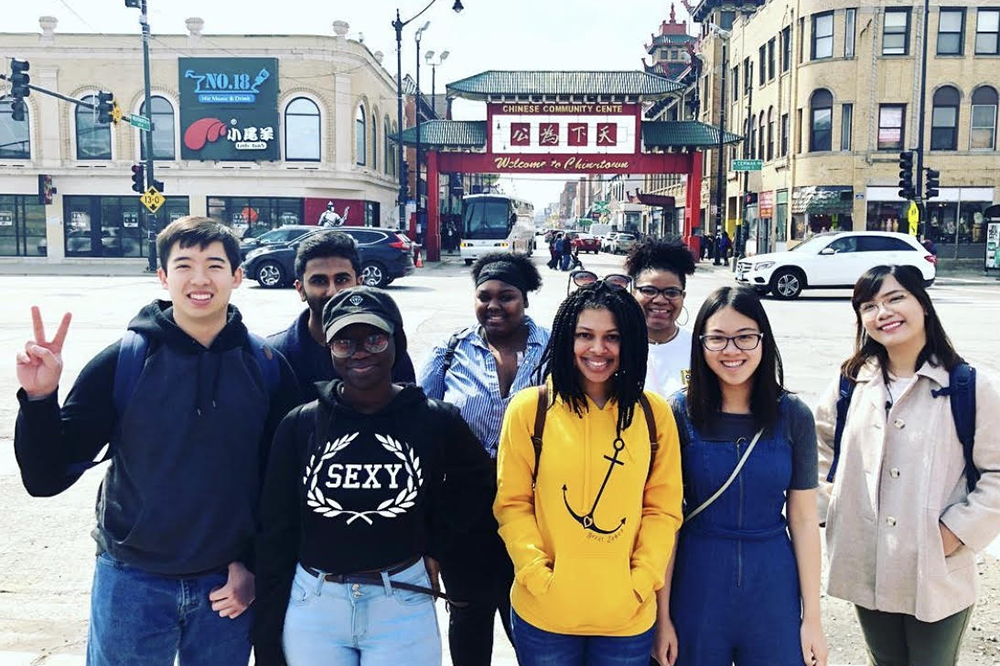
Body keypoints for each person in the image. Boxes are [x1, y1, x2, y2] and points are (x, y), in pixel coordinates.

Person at [13, 216, 301, 666]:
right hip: (131, 582)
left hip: (225, 587)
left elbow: (280, 486)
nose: (200, 279)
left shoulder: (266, 365)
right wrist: (39, 398)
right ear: (163, 277)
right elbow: (45, 477)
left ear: (238, 276)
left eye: (215, 265)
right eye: (184, 265)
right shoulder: (123, 361)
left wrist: (253, 567)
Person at [253, 286, 495, 666]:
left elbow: (479, 488)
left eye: (374, 338)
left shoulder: (434, 419)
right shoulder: (300, 425)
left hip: (401, 601)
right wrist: (267, 636)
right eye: (345, 342)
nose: (360, 351)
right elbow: (275, 530)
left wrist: (436, 545)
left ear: (395, 341)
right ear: (329, 350)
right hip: (315, 605)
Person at [815, 265, 1000, 666]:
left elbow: (997, 474)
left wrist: (954, 533)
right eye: (869, 305)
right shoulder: (851, 382)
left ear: (923, 305)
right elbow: (818, 447)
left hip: (936, 567)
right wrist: (832, 507)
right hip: (866, 560)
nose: (883, 312)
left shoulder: (969, 385)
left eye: (895, 298)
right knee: (882, 660)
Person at [495, 281, 684, 666]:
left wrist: (641, 580)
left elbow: (662, 509)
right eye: (585, 335)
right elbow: (512, 502)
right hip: (544, 614)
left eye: (612, 337)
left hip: (626, 619)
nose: (598, 350)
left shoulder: (653, 414)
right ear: (567, 338)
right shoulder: (531, 409)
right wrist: (536, 575)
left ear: (630, 341)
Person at [655, 285, 827, 666]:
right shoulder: (679, 414)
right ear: (700, 345)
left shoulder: (794, 415)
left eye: (745, 337)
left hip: (772, 583)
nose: (732, 351)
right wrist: (662, 616)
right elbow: (665, 520)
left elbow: (802, 519)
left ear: (764, 340)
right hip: (697, 582)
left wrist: (812, 619)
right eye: (717, 339)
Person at [419, 252, 550, 666]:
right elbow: (421, 423)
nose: (494, 305)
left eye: (506, 296)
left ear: (525, 299)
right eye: (484, 296)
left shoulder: (555, 348)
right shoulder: (451, 349)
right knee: (468, 622)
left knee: (532, 624)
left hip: (535, 510)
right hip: (463, 515)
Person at [268, 230, 415, 403]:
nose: (333, 292)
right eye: (319, 281)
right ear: (300, 289)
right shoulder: (275, 356)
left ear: (359, 284)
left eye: (342, 279)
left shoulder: (385, 350)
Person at [624, 238, 696, 400]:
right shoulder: (616, 345)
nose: (660, 300)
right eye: (649, 290)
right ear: (633, 293)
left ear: (683, 296)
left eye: (671, 292)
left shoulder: (700, 348)